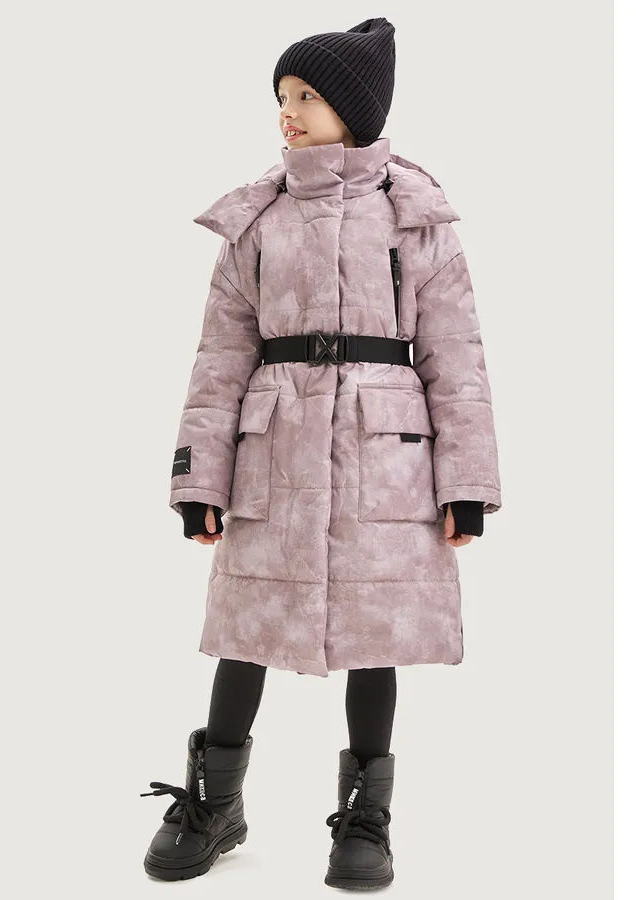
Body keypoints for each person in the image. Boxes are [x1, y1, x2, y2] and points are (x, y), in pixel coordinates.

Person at [140, 17, 502, 891]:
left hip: (388, 460)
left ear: (356, 107)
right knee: (246, 629)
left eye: (306, 95)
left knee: (376, 635)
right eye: (281, 96)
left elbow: (456, 359)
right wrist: (198, 478)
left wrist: (466, 484)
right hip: (275, 453)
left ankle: (366, 820)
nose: (288, 111)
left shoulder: (417, 218)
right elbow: (219, 358)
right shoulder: (257, 222)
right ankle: (215, 803)